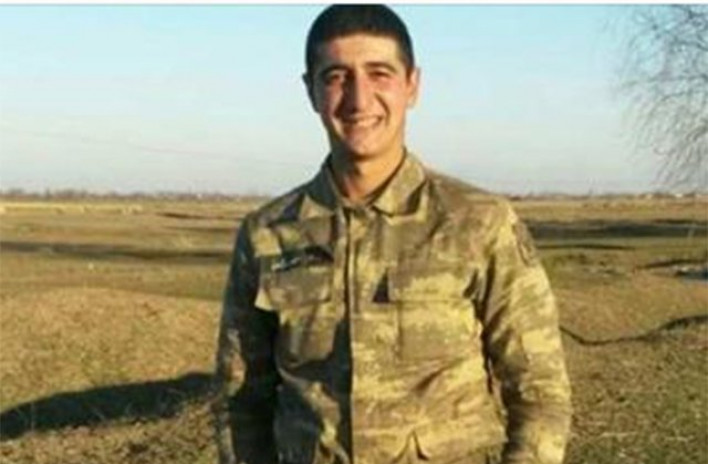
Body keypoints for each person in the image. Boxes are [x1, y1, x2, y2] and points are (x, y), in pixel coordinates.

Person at [213, 4, 572, 464]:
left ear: (412, 85)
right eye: (336, 77)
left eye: (379, 74)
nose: (359, 99)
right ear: (311, 91)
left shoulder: (478, 223)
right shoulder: (267, 235)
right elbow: (240, 399)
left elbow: (539, 391)